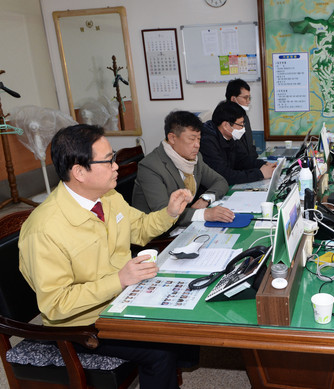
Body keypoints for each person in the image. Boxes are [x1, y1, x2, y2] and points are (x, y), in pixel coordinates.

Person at [19, 124, 194, 389]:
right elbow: (55, 305)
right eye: (108, 160)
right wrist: (119, 280)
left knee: (185, 311)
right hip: (82, 324)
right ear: (79, 172)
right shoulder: (44, 229)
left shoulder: (108, 196)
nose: (116, 166)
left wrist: (169, 212)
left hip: (122, 299)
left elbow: (140, 228)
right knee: (161, 350)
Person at [132, 110, 234, 226]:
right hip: (159, 235)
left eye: (199, 139)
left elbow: (220, 181)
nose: (197, 145)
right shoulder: (150, 166)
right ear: (172, 138)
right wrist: (205, 214)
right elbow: (164, 213)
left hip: (187, 224)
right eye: (192, 139)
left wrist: (205, 199)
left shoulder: (195, 158)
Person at [200, 100, 276, 185]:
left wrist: (264, 164)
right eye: (240, 125)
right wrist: (260, 174)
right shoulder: (207, 141)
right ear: (226, 125)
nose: (243, 129)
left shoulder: (230, 135)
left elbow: (242, 160)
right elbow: (224, 175)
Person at [226, 78, 258, 159]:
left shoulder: (244, 117)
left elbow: (250, 146)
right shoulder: (225, 120)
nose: (248, 101)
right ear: (233, 99)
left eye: (249, 98)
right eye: (245, 98)